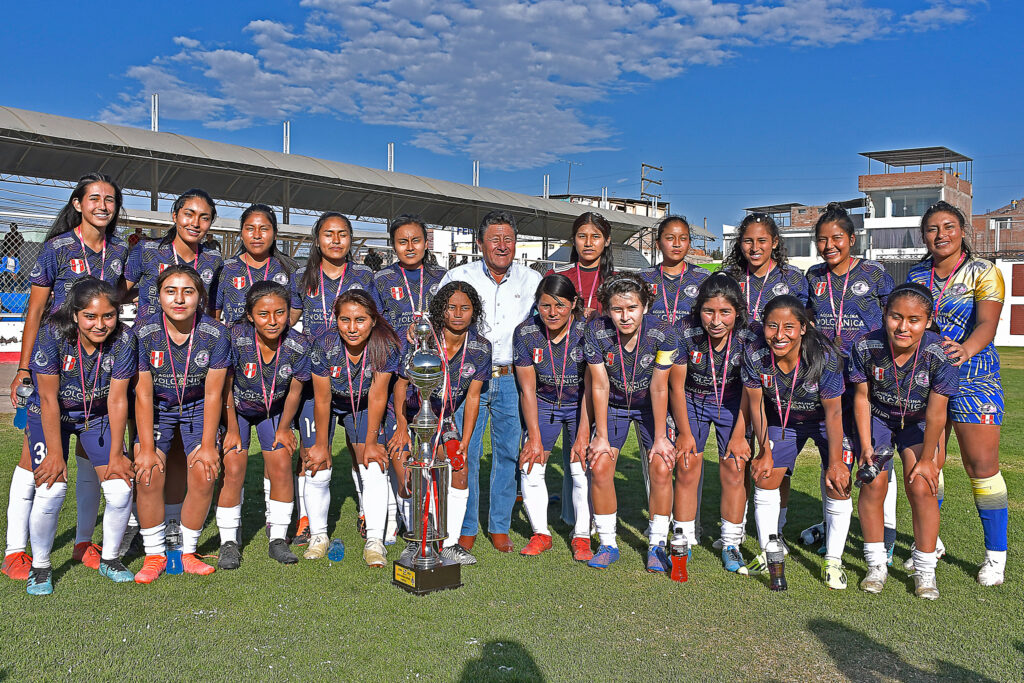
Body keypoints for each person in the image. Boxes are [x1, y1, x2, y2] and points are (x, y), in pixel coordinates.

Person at [4, 173, 130, 581]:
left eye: (110, 200)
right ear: (78, 203)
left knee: (86, 459)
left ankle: (83, 543)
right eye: (94, 198)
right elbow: (35, 311)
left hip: (91, 370)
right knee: (33, 462)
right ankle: (15, 550)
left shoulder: (118, 253)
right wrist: (24, 368)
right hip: (51, 365)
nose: (102, 206)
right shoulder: (55, 248)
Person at [906, 201, 1008, 587]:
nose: (941, 234)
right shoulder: (917, 273)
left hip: (974, 377)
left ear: (962, 231)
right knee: (928, 461)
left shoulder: (984, 271)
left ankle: (994, 555)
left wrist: (966, 349)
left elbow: (987, 323)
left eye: (948, 226)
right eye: (932, 228)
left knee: (981, 467)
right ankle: (930, 545)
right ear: (924, 236)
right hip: (926, 379)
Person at [22, 279, 136, 594]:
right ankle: (41, 566)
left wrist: (116, 456)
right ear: (75, 315)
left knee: (120, 489)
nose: (100, 325)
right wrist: (56, 456)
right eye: (90, 316)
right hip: (51, 415)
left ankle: (110, 559)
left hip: (95, 416)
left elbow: (117, 400)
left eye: (108, 316)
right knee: (51, 489)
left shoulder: (125, 340)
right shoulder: (52, 333)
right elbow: (47, 399)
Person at [438, 210, 541, 553]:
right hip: (468, 380)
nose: (502, 246)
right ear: (480, 243)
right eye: (494, 239)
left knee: (507, 453)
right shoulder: (458, 275)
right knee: (464, 451)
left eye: (508, 239)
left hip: (511, 377)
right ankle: (465, 526)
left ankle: (499, 525)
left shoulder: (531, 280)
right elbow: (440, 317)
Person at [849, 283, 959, 599]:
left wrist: (928, 458)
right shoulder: (866, 346)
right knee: (872, 482)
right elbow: (861, 398)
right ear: (885, 314)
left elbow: (938, 413)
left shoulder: (940, 353)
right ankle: (876, 565)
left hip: (919, 422)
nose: (904, 326)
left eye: (914, 320)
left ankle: (924, 570)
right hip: (880, 418)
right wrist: (866, 445)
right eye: (896, 317)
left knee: (923, 486)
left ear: (927, 320)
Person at [804, 203, 897, 562]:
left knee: (876, 457)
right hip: (828, 381)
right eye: (822, 239)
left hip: (870, 381)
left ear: (852, 239)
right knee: (835, 455)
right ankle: (834, 532)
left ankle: (886, 536)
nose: (829, 245)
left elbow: (896, 313)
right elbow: (803, 316)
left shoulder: (875, 273)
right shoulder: (813, 276)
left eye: (837, 238)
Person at [743, 296, 850, 590]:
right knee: (766, 476)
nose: (779, 335)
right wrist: (764, 449)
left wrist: (837, 461)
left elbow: (834, 411)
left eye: (789, 327)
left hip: (824, 422)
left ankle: (834, 559)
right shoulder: (754, 353)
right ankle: (771, 549)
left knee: (838, 482)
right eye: (772, 326)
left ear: (803, 327)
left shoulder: (824, 355)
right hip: (784, 420)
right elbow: (756, 407)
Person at [132, 266, 231, 583]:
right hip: (158, 406)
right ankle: (154, 555)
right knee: (148, 474)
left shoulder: (215, 333)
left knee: (204, 471)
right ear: (158, 296)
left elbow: (214, 392)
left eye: (188, 291)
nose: (179, 298)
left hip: (197, 405)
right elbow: (143, 393)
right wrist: (146, 448)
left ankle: (186, 552)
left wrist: (207, 446)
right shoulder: (142, 332)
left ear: (200, 296)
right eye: (170, 291)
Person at [390, 281, 490, 565]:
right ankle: (414, 539)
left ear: (474, 311)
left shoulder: (481, 347)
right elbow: (400, 386)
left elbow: (472, 398)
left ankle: (451, 543)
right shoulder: (423, 339)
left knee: (459, 466)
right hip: (408, 414)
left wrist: (466, 442)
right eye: (451, 307)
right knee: (408, 472)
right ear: (440, 310)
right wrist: (400, 426)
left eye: (465, 308)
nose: (458, 314)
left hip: (443, 418)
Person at [288, 212, 374, 545]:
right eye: (328, 234)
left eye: (342, 234)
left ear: (350, 239)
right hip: (316, 374)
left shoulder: (364, 274)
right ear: (317, 239)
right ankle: (306, 519)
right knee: (310, 450)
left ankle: (366, 511)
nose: (335, 240)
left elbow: (375, 319)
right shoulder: (301, 275)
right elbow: (289, 317)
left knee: (359, 448)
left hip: (355, 373)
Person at [723, 213, 809, 545]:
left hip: (776, 377)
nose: (755, 247)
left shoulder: (795, 279)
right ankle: (737, 524)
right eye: (748, 240)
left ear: (775, 242)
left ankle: (778, 528)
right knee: (738, 456)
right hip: (731, 376)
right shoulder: (730, 277)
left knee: (777, 461)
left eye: (762, 240)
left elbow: (805, 324)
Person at [584, 273, 679, 571]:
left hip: (651, 406)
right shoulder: (595, 331)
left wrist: (662, 436)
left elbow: (660, 386)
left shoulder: (665, 333)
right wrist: (598, 436)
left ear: (645, 307)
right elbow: (599, 384)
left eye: (632, 308)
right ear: (607, 310)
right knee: (599, 464)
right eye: (617, 309)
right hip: (613, 405)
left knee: (662, 465)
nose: (624, 316)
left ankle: (657, 544)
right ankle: (608, 542)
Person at [306, 290, 401, 566]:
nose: (351, 327)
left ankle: (375, 540)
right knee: (317, 462)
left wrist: (372, 442)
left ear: (373, 320)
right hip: (328, 399)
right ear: (335, 319)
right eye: (344, 319)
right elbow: (322, 398)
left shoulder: (385, 345)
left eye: (360, 320)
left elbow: (378, 395)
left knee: (372, 463)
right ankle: (318, 536)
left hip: (362, 404)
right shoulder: (324, 344)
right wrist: (322, 444)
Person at [672, 274, 757, 574]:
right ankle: (681, 538)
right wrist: (683, 431)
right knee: (685, 465)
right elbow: (676, 385)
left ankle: (731, 543)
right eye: (709, 311)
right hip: (692, 400)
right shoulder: (684, 329)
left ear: (738, 311)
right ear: (699, 310)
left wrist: (739, 434)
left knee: (735, 468)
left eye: (725, 312)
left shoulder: (750, 334)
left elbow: (752, 390)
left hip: (735, 403)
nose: (716, 320)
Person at [220, 281, 309, 567]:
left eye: (280, 313)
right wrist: (232, 428)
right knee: (233, 466)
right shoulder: (234, 337)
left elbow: (295, 391)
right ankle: (229, 540)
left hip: (274, 411)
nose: (272, 321)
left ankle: (278, 538)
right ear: (249, 315)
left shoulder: (299, 344)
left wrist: (285, 427)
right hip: (238, 410)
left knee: (282, 462)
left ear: (289, 313)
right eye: (263, 314)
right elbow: (226, 387)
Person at [512, 274, 591, 560]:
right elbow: (527, 389)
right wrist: (533, 437)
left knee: (581, 466)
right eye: (545, 306)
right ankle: (541, 533)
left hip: (580, 403)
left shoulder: (587, 330)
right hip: (543, 403)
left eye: (560, 305)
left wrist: (583, 433)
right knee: (531, 464)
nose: (553, 312)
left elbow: (594, 386)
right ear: (537, 305)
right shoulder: (525, 332)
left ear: (573, 304)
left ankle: (582, 535)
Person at [123, 188, 224, 318]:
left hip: (192, 336)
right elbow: (120, 293)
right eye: (189, 214)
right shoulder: (147, 250)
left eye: (204, 218)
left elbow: (213, 307)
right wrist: (145, 295)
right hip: (149, 336)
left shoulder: (213, 259)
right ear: (175, 216)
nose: (195, 223)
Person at [214, 204, 292, 326]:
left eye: (264, 229)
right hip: (235, 344)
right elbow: (214, 316)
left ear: (275, 234)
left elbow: (296, 310)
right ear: (241, 233)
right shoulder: (225, 269)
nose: (256, 235)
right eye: (250, 229)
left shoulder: (289, 269)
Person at [371, 214, 447, 338]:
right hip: (396, 352)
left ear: (426, 244)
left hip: (436, 351)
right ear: (394, 246)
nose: (410, 248)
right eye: (403, 242)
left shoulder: (442, 276)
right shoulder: (381, 279)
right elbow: (373, 322)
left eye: (416, 241)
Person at [638, 215, 710, 327]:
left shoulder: (704, 278)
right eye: (670, 238)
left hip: (692, 344)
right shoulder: (642, 278)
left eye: (683, 238)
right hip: (652, 344)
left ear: (689, 244)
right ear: (658, 244)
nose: (677, 244)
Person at [547, 212, 614, 317]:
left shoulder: (617, 279)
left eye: (595, 236)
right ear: (573, 240)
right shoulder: (556, 276)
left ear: (607, 241)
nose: (588, 243)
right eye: (582, 236)